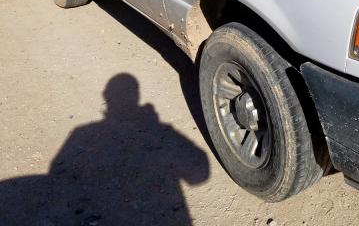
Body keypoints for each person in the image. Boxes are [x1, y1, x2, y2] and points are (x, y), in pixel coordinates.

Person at [0, 74, 210, 226]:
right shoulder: (160, 128)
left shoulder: (80, 133)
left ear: (106, 96)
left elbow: (58, 178)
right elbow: (200, 173)